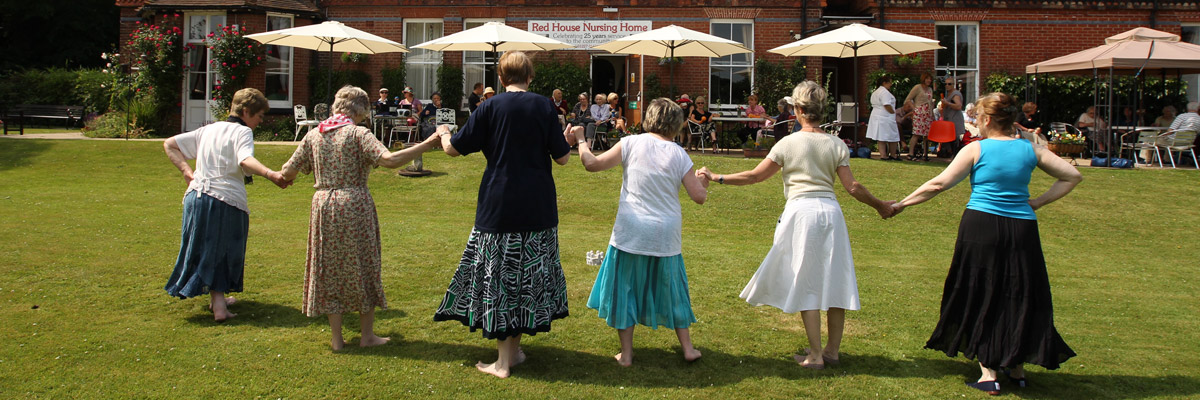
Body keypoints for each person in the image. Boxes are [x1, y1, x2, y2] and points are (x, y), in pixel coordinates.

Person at [891, 92, 1082, 396]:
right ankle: (1016, 368)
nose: (975, 122)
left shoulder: (977, 149)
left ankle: (988, 373)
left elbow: (939, 184)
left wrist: (901, 204)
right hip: (1022, 229)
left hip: (981, 228)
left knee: (980, 289)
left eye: (977, 117)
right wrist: (1036, 203)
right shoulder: (1030, 149)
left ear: (988, 119)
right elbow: (1072, 175)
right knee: (1019, 291)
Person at [697, 81, 895, 370]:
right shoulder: (835, 143)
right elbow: (852, 187)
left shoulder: (788, 143)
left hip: (803, 214)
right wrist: (880, 206)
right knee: (837, 280)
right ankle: (831, 351)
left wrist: (717, 177)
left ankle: (816, 355)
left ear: (799, 110)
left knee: (808, 282)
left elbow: (754, 176)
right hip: (831, 214)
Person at [433, 51, 575, 379]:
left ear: (500, 77)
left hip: (499, 204)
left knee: (500, 279)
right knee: (526, 278)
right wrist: (565, 140)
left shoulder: (489, 107)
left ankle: (503, 362)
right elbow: (563, 158)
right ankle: (514, 351)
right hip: (537, 204)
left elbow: (454, 148)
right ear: (531, 76)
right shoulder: (544, 106)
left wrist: (442, 133)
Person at [280, 85, 442, 350]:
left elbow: (288, 171)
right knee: (363, 263)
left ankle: (337, 339)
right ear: (361, 109)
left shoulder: (314, 135)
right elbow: (388, 160)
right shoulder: (358, 134)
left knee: (330, 266)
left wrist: (279, 178)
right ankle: (367, 336)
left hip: (323, 205)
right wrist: (427, 143)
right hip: (354, 203)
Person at [571, 98, 709, 367]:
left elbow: (591, 164)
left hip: (631, 230)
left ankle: (627, 354)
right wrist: (703, 180)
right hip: (665, 233)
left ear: (650, 118)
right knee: (674, 290)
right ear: (676, 123)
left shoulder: (631, 142)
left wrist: (580, 140)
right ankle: (688, 348)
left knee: (625, 289)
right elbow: (699, 196)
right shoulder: (679, 153)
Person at [162, 88, 290, 322]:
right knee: (221, 249)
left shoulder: (208, 129)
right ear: (246, 111)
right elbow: (245, 160)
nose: (260, 122)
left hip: (195, 198)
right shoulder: (242, 132)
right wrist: (271, 174)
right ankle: (220, 308)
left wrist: (187, 172)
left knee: (207, 247)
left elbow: (170, 144)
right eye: (259, 116)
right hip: (222, 200)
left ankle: (216, 299)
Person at [866, 75, 901, 160]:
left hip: (877, 115)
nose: (891, 84)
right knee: (893, 136)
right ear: (884, 83)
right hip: (885, 116)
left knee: (881, 136)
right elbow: (886, 104)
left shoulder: (876, 92)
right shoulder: (884, 92)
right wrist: (893, 112)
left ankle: (883, 155)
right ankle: (893, 155)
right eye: (890, 82)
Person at [905, 73, 935, 160]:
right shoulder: (917, 87)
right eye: (927, 79)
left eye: (930, 79)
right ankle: (910, 153)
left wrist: (931, 113)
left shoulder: (930, 89)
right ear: (923, 79)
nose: (929, 81)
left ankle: (926, 153)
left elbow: (930, 102)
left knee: (926, 135)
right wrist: (915, 108)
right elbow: (908, 99)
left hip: (928, 113)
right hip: (919, 113)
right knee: (917, 133)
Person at [941, 78, 966, 154]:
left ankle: (955, 156)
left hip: (955, 120)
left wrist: (947, 103)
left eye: (949, 84)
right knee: (950, 139)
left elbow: (959, 106)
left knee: (954, 139)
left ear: (953, 85)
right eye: (945, 84)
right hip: (949, 119)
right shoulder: (948, 94)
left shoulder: (955, 94)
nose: (947, 86)